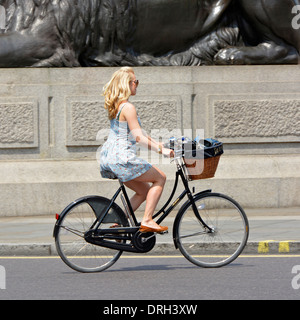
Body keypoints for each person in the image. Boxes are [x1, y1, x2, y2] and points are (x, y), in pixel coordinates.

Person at [100, 67, 174, 233]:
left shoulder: (118, 106)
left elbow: (138, 133)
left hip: (112, 157)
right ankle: (147, 220)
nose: (137, 85)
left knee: (144, 191)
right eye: (135, 82)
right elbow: (139, 138)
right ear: (127, 84)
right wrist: (161, 152)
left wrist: (158, 144)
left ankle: (119, 225)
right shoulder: (128, 107)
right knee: (160, 177)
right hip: (123, 158)